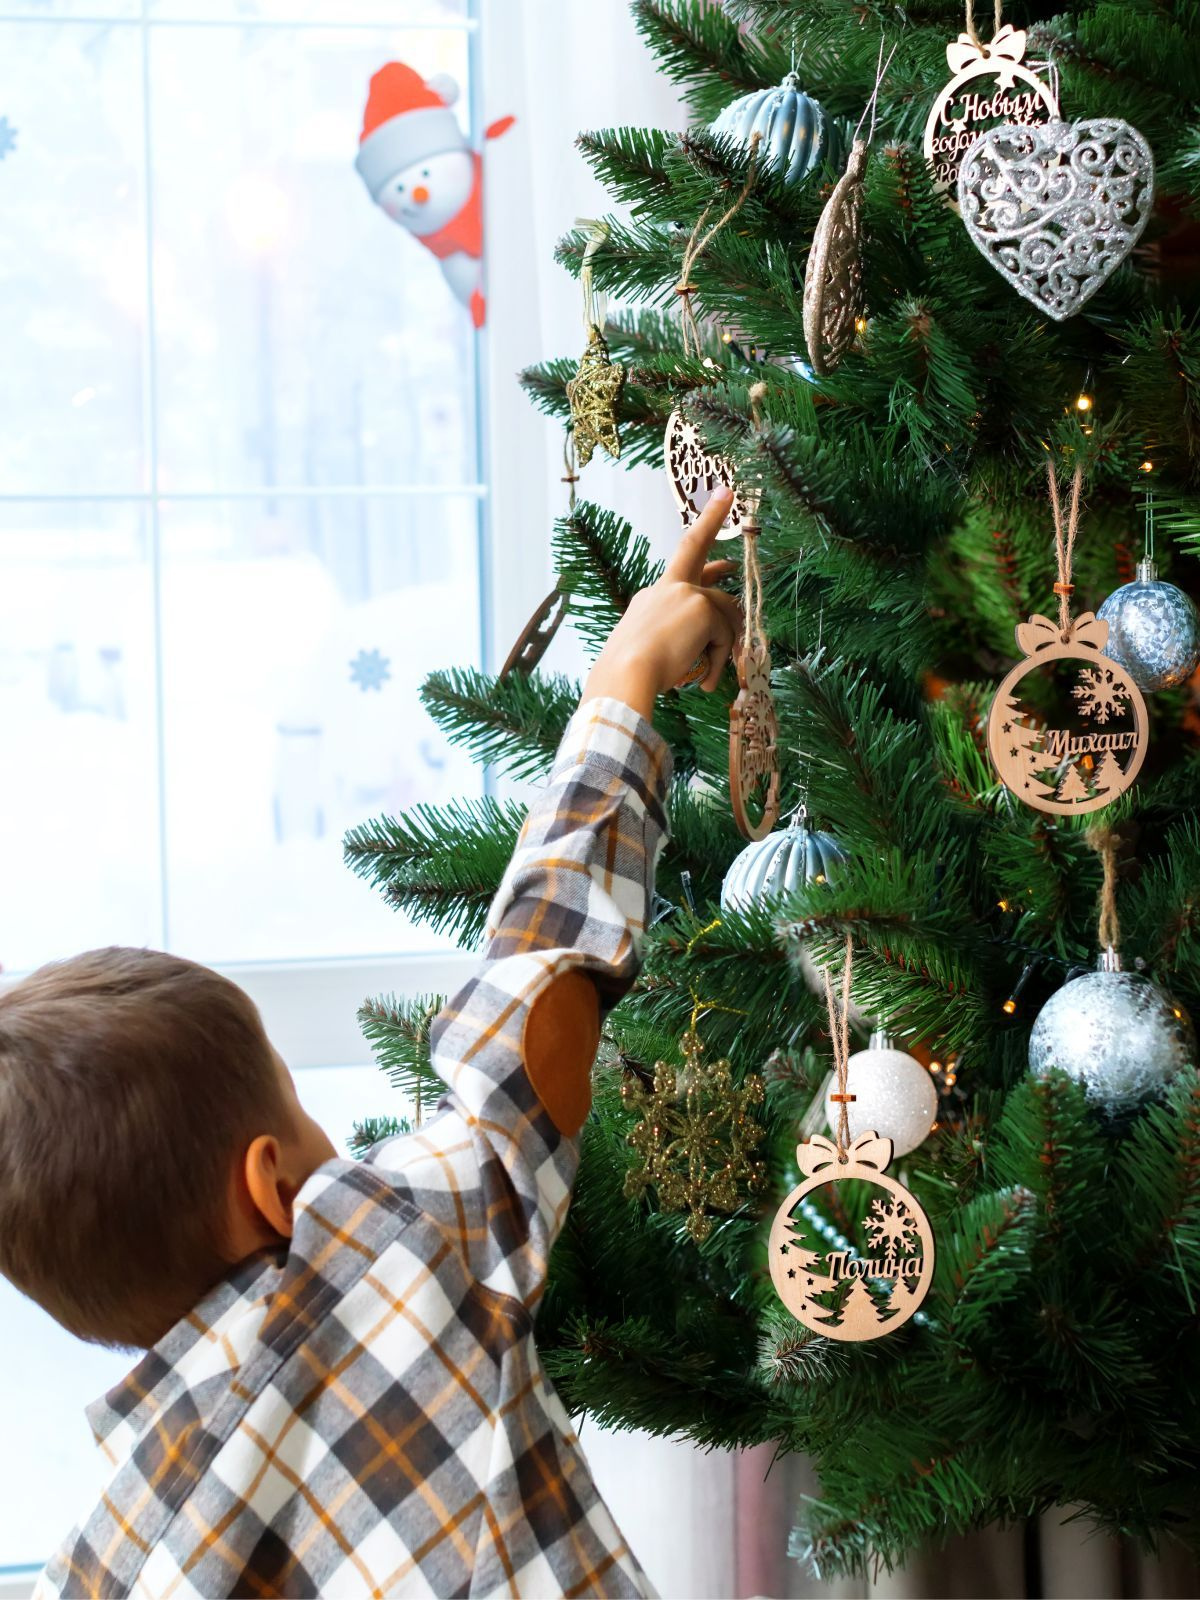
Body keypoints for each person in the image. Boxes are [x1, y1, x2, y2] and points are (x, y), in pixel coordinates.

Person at [7, 489, 742, 1599]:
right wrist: (625, 678)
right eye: (304, 1114)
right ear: (271, 1184)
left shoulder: (107, 1563)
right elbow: (532, 991)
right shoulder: (384, 1255)